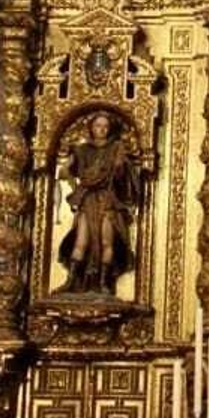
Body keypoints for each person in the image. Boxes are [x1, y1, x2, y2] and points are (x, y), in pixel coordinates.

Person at [56, 110, 139, 292]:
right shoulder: (82, 150)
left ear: (109, 129)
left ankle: (103, 283)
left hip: (108, 200)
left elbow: (123, 177)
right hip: (88, 200)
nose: (101, 130)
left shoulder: (116, 148)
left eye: (105, 127)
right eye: (98, 126)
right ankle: (71, 282)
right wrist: (71, 178)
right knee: (81, 240)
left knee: (106, 241)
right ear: (91, 128)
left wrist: (119, 166)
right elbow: (65, 171)